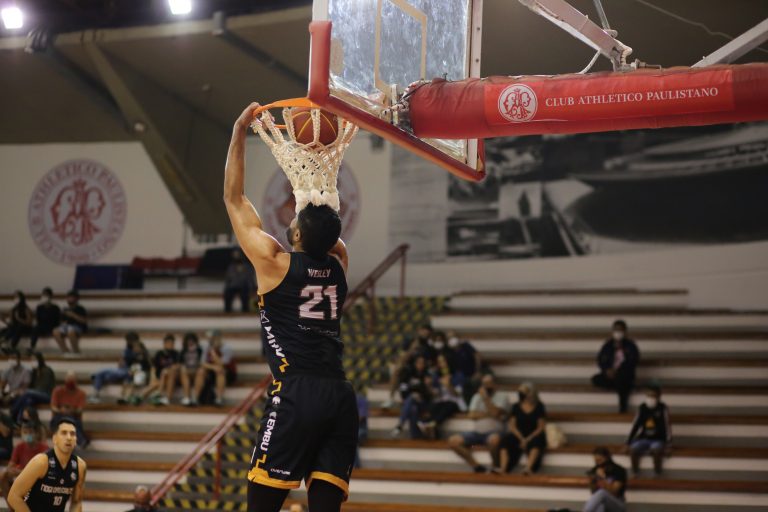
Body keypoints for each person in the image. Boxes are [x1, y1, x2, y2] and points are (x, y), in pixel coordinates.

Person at [225, 102, 356, 512]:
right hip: (339, 395)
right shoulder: (339, 265)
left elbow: (233, 199)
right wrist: (317, 191)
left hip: (297, 392)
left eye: (297, 221)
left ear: (297, 234)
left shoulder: (273, 262)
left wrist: (239, 131)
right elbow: (329, 238)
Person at [7, 417, 86, 512]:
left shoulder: (80, 466)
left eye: (72, 434)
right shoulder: (41, 462)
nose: (69, 438)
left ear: (76, 439)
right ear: (54, 438)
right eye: (64, 433)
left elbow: (76, 502)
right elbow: (13, 496)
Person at [447, 374, 509, 473]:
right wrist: (489, 413)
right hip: (477, 433)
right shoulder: (476, 396)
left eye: (489, 384)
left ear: (495, 384)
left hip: (495, 432)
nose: (486, 386)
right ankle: (476, 466)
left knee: (494, 440)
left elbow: (495, 413)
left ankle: (495, 466)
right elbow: (471, 415)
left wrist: (485, 398)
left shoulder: (502, 397)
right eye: (484, 384)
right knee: (453, 441)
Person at [591, 320, 640, 413]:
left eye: (620, 330)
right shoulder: (608, 345)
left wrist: (618, 371)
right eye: (616, 330)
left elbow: (633, 362)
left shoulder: (631, 346)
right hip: (610, 375)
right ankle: (616, 384)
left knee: (622, 381)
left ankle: (623, 408)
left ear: (625, 331)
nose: (618, 332)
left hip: (624, 375)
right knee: (595, 379)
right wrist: (606, 370)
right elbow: (600, 359)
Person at [499, 382, 547, 475]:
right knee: (505, 441)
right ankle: (503, 468)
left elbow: (541, 427)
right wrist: (521, 439)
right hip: (519, 434)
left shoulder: (539, 406)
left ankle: (528, 468)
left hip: (533, 434)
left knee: (537, 441)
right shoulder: (516, 406)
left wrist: (527, 439)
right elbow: (512, 426)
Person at [383, 325, 434, 409]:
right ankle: (391, 397)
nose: (425, 335)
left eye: (427, 334)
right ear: (419, 331)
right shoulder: (409, 342)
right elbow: (402, 358)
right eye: (423, 332)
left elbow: (429, 362)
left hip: (422, 369)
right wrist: (412, 349)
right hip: (409, 367)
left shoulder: (428, 347)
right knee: (397, 369)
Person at [626, 384, 672, 476]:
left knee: (656, 451)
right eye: (648, 395)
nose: (651, 398)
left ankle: (657, 473)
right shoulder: (642, 408)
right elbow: (635, 425)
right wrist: (628, 443)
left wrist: (668, 444)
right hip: (643, 438)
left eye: (653, 395)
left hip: (658, 439)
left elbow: (667, 427)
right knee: (633, 450)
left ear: (659, 396)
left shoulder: (663, 408)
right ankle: (635, 473)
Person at [89, 331, 142, 404]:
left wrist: (136, 355)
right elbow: (122, 361)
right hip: (122, 371)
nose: (128, 342)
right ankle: (95, 395)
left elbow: (140, 365)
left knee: (102, 372)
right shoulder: (128, 348)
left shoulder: (140, 349)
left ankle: (95, 378)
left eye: (129, 340)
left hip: (128, 372)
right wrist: (122, 361)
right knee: (103, 376)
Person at [0, 421, 49, 497]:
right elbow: (10, 466)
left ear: (36, 433)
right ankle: (11, 504)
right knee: (3, 475)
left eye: (30, 432)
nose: (27, 435)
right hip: (21, 477)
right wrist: (11, 470)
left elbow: (42, 471)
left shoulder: (44, 448)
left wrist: (22, 472)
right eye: (25, 432)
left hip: (38, 479)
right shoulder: (19, 447)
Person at [390, 355, 432, 439]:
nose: (421, 365)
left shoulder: (427, 375)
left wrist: (426, 388)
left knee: (412, 399)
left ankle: (400, 425)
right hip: (411, 402)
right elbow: (403, 389)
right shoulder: (408, 374)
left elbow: (429, 395)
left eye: (422, 363)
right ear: (415, 363)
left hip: (424, 403)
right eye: (419, 363)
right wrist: (412, 394)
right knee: (413, 409)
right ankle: (415, 436)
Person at [11, 352, 56, 423]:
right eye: (31, 360)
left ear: (39, 360)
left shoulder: (47, 370)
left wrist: (28, 391)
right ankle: (19, 420)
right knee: (28, 401)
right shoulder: (34, 372)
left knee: (27, 392)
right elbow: (31, 385)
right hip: (35, 395)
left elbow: (43, 387)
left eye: (34, 360)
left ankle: (13, 411)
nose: (32, 362)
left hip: (47, 395)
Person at [194, 329, 236, 406]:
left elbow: (223, 364)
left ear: (219, 338)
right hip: (213, 370)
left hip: (228, 372)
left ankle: (219, 399)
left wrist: (214, 353)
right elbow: (202, 363)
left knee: (220, 371)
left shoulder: (227, 348)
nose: (211, 341)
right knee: (201, 371)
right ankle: (195, 398)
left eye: (213, 338)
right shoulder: (206, 347)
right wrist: (213, 367)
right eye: (210, 339)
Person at [50, 371, 89, 448]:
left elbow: (80, 410)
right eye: (69, 379)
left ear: (76, 381)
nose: (70, 382)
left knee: (69, 419)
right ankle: (81, 440)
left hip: (74, 417)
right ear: (65, 380)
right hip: (58, 419)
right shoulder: (57, 391)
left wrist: (71, 411)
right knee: (67, 420)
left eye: (72, 379)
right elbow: (53, 407)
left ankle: (80, 440)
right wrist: (61, 411)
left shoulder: (81, 393)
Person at [584, 446, 627, 512]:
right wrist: (592, 481)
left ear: (607, 458)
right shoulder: (595, 470)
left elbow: (614, 491)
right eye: (596, 461)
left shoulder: (618, 470)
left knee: (602, 492)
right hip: (602, 502)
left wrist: (603, 477)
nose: (598, 463)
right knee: (600, 505)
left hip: (617, 502)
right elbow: (593, 492)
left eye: (600, 460)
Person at [142, 334, 180, 405]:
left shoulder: (176, 354)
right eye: (169, 343)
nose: (170, 345)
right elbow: (154, 368)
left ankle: (159, 394)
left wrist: (169, 370)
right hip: (161, 378)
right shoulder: (159, 354)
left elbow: (177, 366)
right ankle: (142, 396)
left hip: (172, 377)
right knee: (158, 380)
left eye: (172, 343)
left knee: (166, 373)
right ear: (165, 344)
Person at [52, 289, 88, 355]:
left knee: (70, 331)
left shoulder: (80, 309)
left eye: (72, 297)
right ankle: (65, 351)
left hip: (77, 326)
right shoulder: (65, 309)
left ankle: (76, 351)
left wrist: (73, 315)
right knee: (55, 331)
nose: (70, 299)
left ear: (76, 299)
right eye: (68, 297)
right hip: (66, 326)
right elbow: (61, 321)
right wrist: (63, 322)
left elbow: (84, 321)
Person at [30, 287, 61, 353]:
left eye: (46, 295)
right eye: (43, 295)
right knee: (35, 329)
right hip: (42, 326)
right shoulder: (39, 307)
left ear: (50, 296)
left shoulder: (55, 308)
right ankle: (32, 347)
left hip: (52, 326)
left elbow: (57, 320)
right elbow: (38, 319)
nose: (44, 297)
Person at [178, 332, 203, 406]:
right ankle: (187, 397)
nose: (190, 342)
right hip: (187, 371)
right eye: (188, 340)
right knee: (183, 370)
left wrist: (196, 368)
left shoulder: (200, 350)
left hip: (197, 371)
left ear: (195, 341)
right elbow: (180, 363)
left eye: (192, 340)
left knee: (201, 371)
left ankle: (195, 398)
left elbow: (202, 362)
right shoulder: (183, 351)